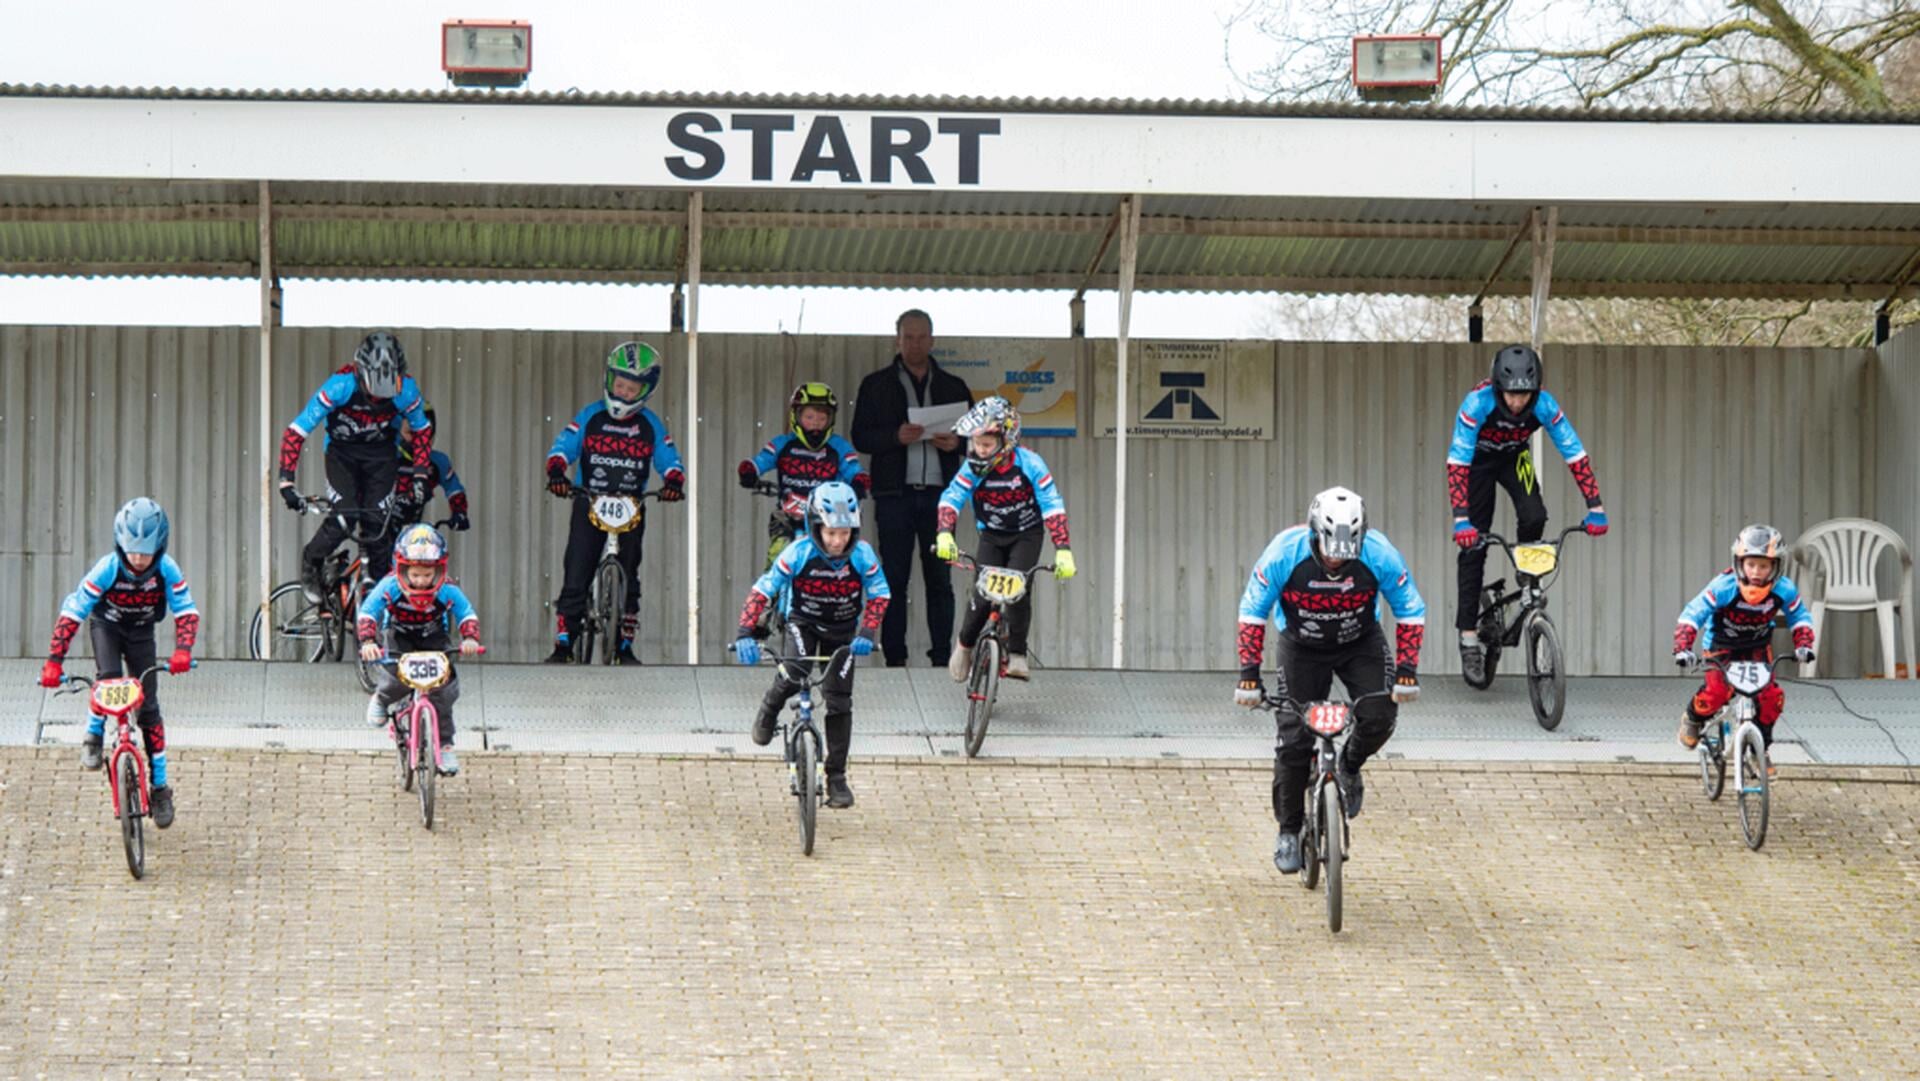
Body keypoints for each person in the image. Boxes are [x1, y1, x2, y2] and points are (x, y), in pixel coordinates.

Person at [1234, 487, 1424, 875]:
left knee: (1379, 715)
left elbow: (1410, 609)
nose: (1336, 565)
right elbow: (1252, 611)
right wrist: (1248, 675)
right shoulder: (1283, 553)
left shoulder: (1381, 555)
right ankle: (1288, 830)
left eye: (1345, 559)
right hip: (1301, 646)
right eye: (1328, 556)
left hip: (1360, 642)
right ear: (1314, 535)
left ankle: (1350, 766)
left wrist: (1407, 668)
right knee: (1293, 739)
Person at [1447, 344, 1606, 683]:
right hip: (1476, 464)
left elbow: (1574, 453)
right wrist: (1461, 518)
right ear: (1496, 387)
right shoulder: (1477, 403)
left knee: (1535, 514)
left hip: (1513, 457)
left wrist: (1595, 506)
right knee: (1474, 545)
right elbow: (1457, 462)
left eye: (1525, 395)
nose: (1518, 402)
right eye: (1511, 395)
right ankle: (1468, 637)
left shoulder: (1545, 404)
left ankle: (1526, 572)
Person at [38, 498, 198, 830]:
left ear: (160, 547)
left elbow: (186, 611)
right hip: (106, 626)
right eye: (132, 551)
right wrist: (54, 660)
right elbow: (73, 612)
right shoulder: (107, 567)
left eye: (146, 553)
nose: (138, 560)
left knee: (148, 708)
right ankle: (93, 735)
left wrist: (183, 650)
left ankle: (160, 788)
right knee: (108, 681)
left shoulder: (167, 568)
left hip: (142, 632)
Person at [732, 482, 889, 809]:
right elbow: (764, 589)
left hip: (843, 630)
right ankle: (770, 706)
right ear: (815, 526)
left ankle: (836, 777)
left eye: (845, 533)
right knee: (794, 672)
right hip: (803, 622)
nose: (836, 541)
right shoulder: (798, 552)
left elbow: (879, 594)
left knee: (839, 700)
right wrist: (745, 632)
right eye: (830, 533)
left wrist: (867, 633)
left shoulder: (862, 555)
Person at [543, 340, 685, 665]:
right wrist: (556, 470)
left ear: (645, 390)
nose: (623, 392)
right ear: (609, 380)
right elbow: (565, 444)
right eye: (619, 384)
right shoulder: (591, 415)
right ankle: (565, 642)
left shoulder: (650, 424)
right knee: (577, 570)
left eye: (631, 388)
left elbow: (669, 456)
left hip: (632, 506)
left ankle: (623, 644)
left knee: (629, 574)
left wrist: (674, 480)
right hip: (588, 502)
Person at [850, 309, 973, 668]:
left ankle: (941, 658)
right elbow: (860, 436)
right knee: (893, 579)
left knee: (940, 580)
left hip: (940, 497)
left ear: (932, 340)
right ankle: (895, 658)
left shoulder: (954, 385)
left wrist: (958, 445)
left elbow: (978, 438)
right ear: (897, 339)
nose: (915, 343)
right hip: (894, 496)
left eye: (921, 337)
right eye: (908, 337)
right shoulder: (876, 384)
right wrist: (894, 436)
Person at [278, 332, 434, 596]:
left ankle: (380, 598)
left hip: (382, 454)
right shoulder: (339, 386)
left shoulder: (407, 390)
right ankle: (312, 560)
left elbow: (422, 430)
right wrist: (286, 482)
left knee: (378, 525)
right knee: (345, 517)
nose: (380, 398)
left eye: (388, 389)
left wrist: (420, 475)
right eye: (375, 390)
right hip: (342, 454)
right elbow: (297, 431)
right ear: (361, 375)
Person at [932, 396, 1076, 682]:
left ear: (1005, 441)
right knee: (983, 593)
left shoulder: (1031, 463)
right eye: (975, 444)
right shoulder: (972, 467)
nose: (980, 451)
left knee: (1018, 589)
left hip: (1027, 533)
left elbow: (1051, 503)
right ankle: (964, 646)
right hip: (992, 535)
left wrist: (1063, 548)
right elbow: (952, 497)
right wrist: (944, 532)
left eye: (986, 445)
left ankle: (1018, 653)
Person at [1672, 524, 1815, 775]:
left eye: (1764, 565)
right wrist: (1683, 646)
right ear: (1739, 563)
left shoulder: (1784, 589)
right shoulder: (1723, 586)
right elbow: (1693, 614)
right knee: (1717, 693)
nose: (1756, 572)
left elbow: (1799, 616)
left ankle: (1760, 750)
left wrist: (1804, 644)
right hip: (1721, 647)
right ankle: (1693, 718)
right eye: (1750, 565)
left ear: (1776, 566)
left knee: (1771, 698)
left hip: (1757, 648)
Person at [357, 524, 482, 776]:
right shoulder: (390, 585)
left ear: (439, 571)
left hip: (433, 636)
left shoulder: (447, 588)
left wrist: (470, 638)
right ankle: (381, 699)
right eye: (415, 575)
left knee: (443, 691)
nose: (422, 581)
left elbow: (466, 612)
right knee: (396, 678)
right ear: (402, 569)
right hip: (398, 635)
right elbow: (368, 612)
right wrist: (369, 642)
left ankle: (445, 745)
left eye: (428, 575)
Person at [737, 382, 870, 570]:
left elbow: (854, 469)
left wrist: (859, 481)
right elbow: (761, 460)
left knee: (834, 562)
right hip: (788, 515)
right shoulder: (783, 444)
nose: (815, 422)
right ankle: (769, 595)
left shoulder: (839, 446)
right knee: (778, 552)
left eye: (822, 417)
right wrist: (749, 470)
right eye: (809, 417)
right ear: (796, 416)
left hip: (826, 518)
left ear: (831, 419)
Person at [394, 408, 470, 533]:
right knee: (372, 549)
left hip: (412, 530)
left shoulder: (438, 462)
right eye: (412, 433)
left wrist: (459, 512)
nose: (420, 439)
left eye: (426, 433)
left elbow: (454, 489)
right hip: (378, 525)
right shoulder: (384, 456)